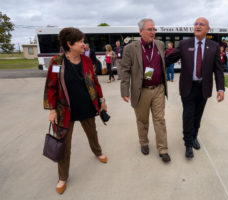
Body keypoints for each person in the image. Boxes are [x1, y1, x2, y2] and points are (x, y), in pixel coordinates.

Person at [43, 27, 108, 194]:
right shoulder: (57, 63)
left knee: (92, 132)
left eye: (83, 41)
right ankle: (62, 177)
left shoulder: (86, 61)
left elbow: (94, 82)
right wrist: (52, 110)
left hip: (87, 106)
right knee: (63, 144)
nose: (83, 44)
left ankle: (98, 152)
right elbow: (51, 87)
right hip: (65, 110)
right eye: (80, 41)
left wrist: (102, 100)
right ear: (69, 44)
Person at [166, 17, 225, 158]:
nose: (197, 26)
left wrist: (220, 89)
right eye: (196, 24)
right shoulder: (185, 44)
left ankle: (194, 137)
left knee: (198, 116)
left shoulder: (214, 46)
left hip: (203, 88)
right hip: (188, 87)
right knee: (188, 115)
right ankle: (187, 144)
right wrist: (154, 61)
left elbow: (218, 70)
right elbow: (169, 59)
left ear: (207, 29)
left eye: (201, 24)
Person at [120, 18, 171, 162]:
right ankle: (144, 142)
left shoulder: (160, 45)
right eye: (150, 29)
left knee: (160, 119)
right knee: (142, 120)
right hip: (141, 90)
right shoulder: (130, 48)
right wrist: (124, 91)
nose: (153, 32)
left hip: (159, 89)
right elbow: (124, 70)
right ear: (141, 31)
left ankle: (163, 149)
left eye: (154, 29)